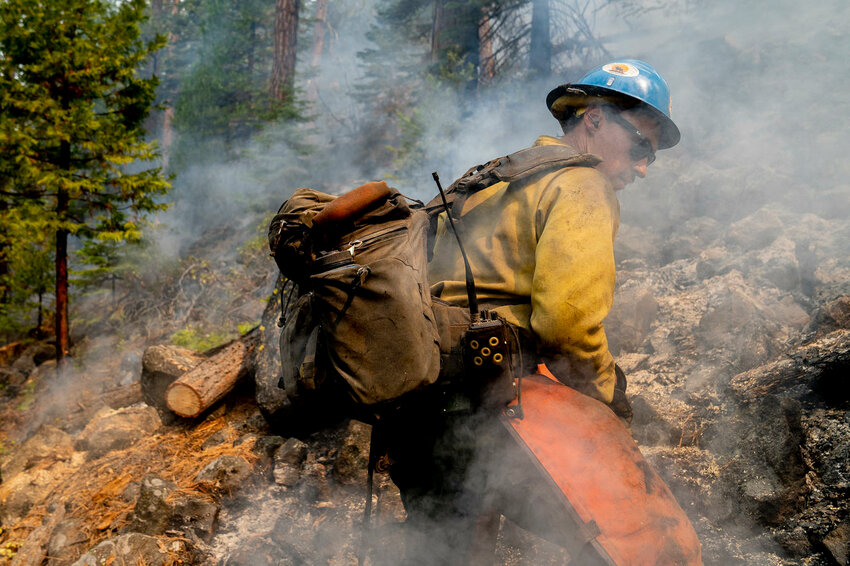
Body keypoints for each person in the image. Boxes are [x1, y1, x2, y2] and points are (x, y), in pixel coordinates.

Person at [377, 60, 692, 566]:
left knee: (445, 550)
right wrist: (610, 400)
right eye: (640, 147)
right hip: (495, 405)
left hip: (417, 404)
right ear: (594, 119)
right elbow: (568, 325)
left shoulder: (496, 179)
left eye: (651, 157)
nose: (642, 168)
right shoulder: (582, 186)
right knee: (635, 543)